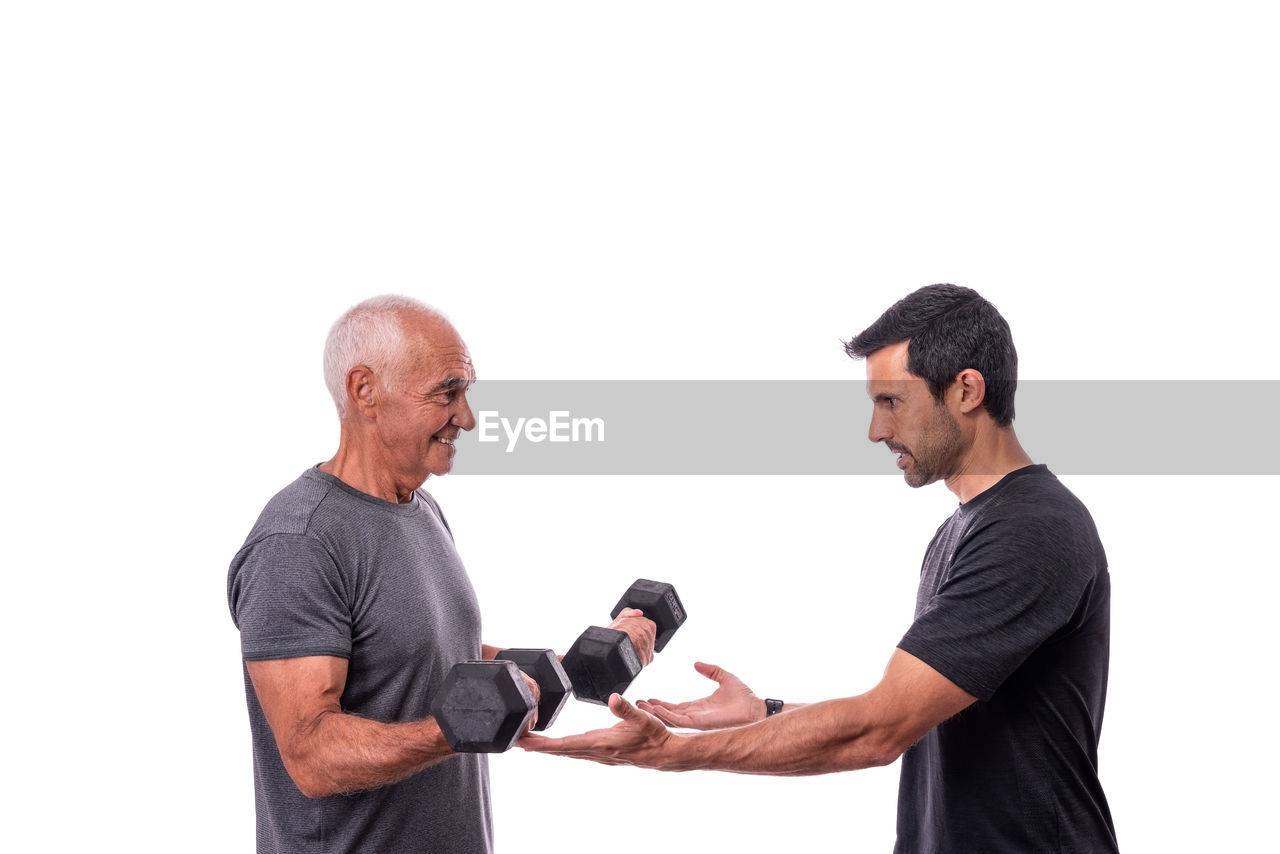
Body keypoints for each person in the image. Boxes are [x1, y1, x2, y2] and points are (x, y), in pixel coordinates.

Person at [522, 284, 1119, 853]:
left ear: (966, 390)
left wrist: (671, 752)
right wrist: (765, 714)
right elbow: (910, 711)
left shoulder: (1030, 530)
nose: (876, 430)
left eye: (892, 402)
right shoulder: (967, 526)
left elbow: (877, 730)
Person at [227, 295, 656, 854]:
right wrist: (457, 725)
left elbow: (426, 655)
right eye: (446, 393)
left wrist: (585, 662)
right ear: (365, 392)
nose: (467, 417)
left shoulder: (417, 508)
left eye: (466, 393)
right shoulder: (299, 541)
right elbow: (310, 754)